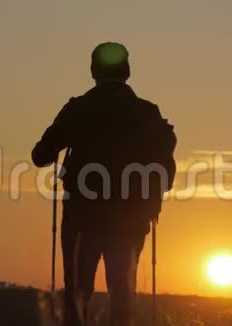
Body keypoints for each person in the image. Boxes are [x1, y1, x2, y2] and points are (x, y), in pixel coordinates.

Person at [32, 42, 177, 326]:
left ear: (93, 72)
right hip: (131, 217)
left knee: (78, 295)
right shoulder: (147, 113)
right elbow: (163, 170)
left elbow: (41, 156)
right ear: (128, 72)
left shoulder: (77, 109)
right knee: (123, 295)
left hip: (82, 217)